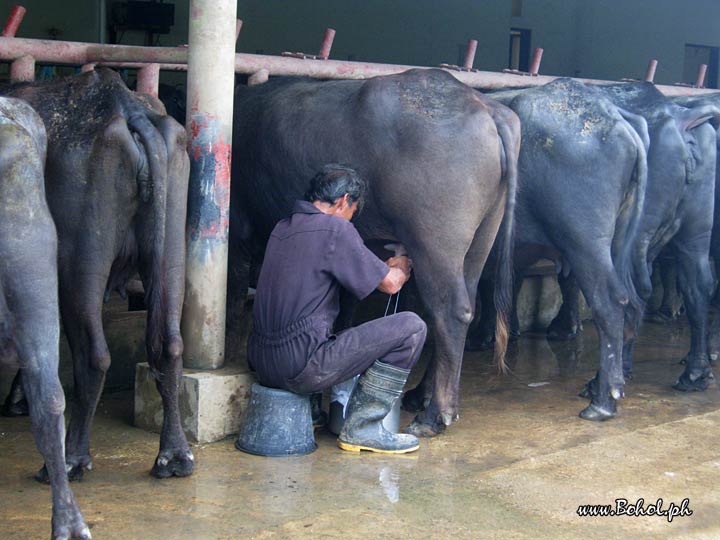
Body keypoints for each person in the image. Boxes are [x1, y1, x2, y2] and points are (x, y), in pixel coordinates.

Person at [248, 164, 427, 454]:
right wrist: (403, 265)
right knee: (412, 327)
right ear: (344, 200)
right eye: (352, 211)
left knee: (322, 321)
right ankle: (363, 428)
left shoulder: (283, 227)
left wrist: (379, 268)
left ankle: (316, 412)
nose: (350, 218)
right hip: (300, 367)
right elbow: (392, 284)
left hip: (261, 362)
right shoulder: (336, 228)